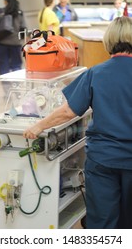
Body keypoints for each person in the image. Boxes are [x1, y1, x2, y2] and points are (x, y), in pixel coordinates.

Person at [23, 16, 132, 229]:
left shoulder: (96, 73)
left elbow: (68, 111)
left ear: (108, 41)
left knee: (102, 222)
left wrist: (38, 126)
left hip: (103, 161)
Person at [0, 0, 27, 75]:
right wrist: (20, 40)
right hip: (16, 45)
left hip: (2, 45)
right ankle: (15, 86)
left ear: (5, 1)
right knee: (16, 68)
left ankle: (6, 87)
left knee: (3, 68)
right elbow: (24, 29)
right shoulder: (19, 13)